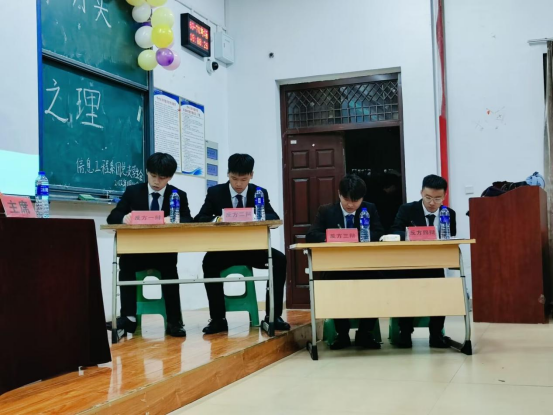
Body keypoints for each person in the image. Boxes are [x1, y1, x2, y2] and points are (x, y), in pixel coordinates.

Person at [195, 153, 290, 334]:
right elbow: (199, 218)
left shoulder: (259, 192)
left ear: (251, 175)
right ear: (228, 174)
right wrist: (219, 219)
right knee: (208, 263)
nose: (238, 184)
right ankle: (218, 319)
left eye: (243, 179)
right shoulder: (215, 192)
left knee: (279, 260)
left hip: (253, 249)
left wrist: (254, 216)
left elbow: (273, 217)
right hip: (223, 250)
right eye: (234, 178)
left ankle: (273, 316)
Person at [106, 153, 191, 339]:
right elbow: (112, 217)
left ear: (170, 177)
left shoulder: (178, 195)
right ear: (147, 172)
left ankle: (174, 321)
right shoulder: (133, 192)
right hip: (136, 252)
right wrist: (124, 218)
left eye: (162, 178)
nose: (157, 182)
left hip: (164, 253)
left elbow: (189, 219)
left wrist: (173, 219)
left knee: (170, 271)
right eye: (153, 176)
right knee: (125, 266)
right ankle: (128, 318)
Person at [306, 174, 385, 350]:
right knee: (333, 284)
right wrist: (334, 237)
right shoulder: (326, 211)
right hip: (337, 266)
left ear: (362, 198)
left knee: (376, 283)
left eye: (355, 201)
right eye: (346, 199)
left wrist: (357, 236)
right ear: (339, 194)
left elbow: (379, 232)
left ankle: (365, 333)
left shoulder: (369, 209)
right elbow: (311, 235)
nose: (350, 205)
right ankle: (342, 334)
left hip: (364, 266)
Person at [390, 174, 457, 348]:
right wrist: (414, 235)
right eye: (428, 197)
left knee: (438, 297)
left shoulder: (448, 214)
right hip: (409, 264)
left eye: (437, 198)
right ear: (421, 193)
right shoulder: (407, 210)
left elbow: (450, 236)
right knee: (407, 295)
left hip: (435, 264)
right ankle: (405, 333)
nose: (432, 203)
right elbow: (395, 231)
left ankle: (436, 335)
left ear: (444, 196)